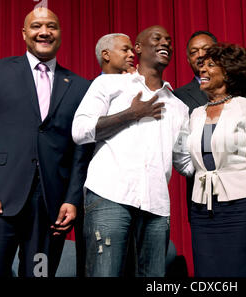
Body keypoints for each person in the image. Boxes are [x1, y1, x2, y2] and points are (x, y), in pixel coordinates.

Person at [0, 7, 92, 277]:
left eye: (51, 26)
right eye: (36, 26)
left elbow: (81, 151)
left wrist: (71, 199)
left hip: (49, 212)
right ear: (24, 33)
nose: (44, 32)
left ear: (60, 34)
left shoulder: (81, 87)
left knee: (39, 273)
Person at [71, 25, 193, 277]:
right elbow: (80, 130)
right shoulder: (109, 83)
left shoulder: (178, 107)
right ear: (138, 48)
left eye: (169, 40)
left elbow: (185, 163)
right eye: (157, 38)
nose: (165, 43)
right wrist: (132, 114)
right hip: (109, 196)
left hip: (157, 206)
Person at [186, 43, 246, 277]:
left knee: (242, 268)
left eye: (210, 65)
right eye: (201, 65)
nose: (202, 70)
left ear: (227, 73)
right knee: (208, 271)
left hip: (242, 206)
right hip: (202, 208)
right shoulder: (196, 114)